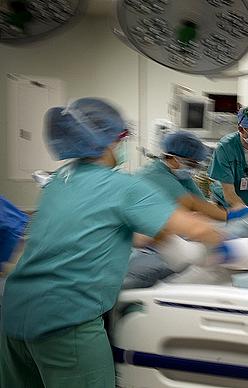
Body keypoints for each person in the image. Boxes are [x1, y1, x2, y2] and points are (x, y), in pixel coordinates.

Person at [0, 98, 226, 388]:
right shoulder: (123, 187)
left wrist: (157, 237)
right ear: (109, 142)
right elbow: (196, 227)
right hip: (66, 322)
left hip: (15, 313)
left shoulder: (59, 180)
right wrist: (231, 245)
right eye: (123, 137)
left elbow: (97, 229)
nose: (124, 144)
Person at [137, 130, 229, 222]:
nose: (192, 168)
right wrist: (230, 217)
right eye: (190, 164)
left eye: (195, 165)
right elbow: (192, 203)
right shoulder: (155, 175)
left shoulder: (180, 175)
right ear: (172, 157)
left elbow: (201, 202)